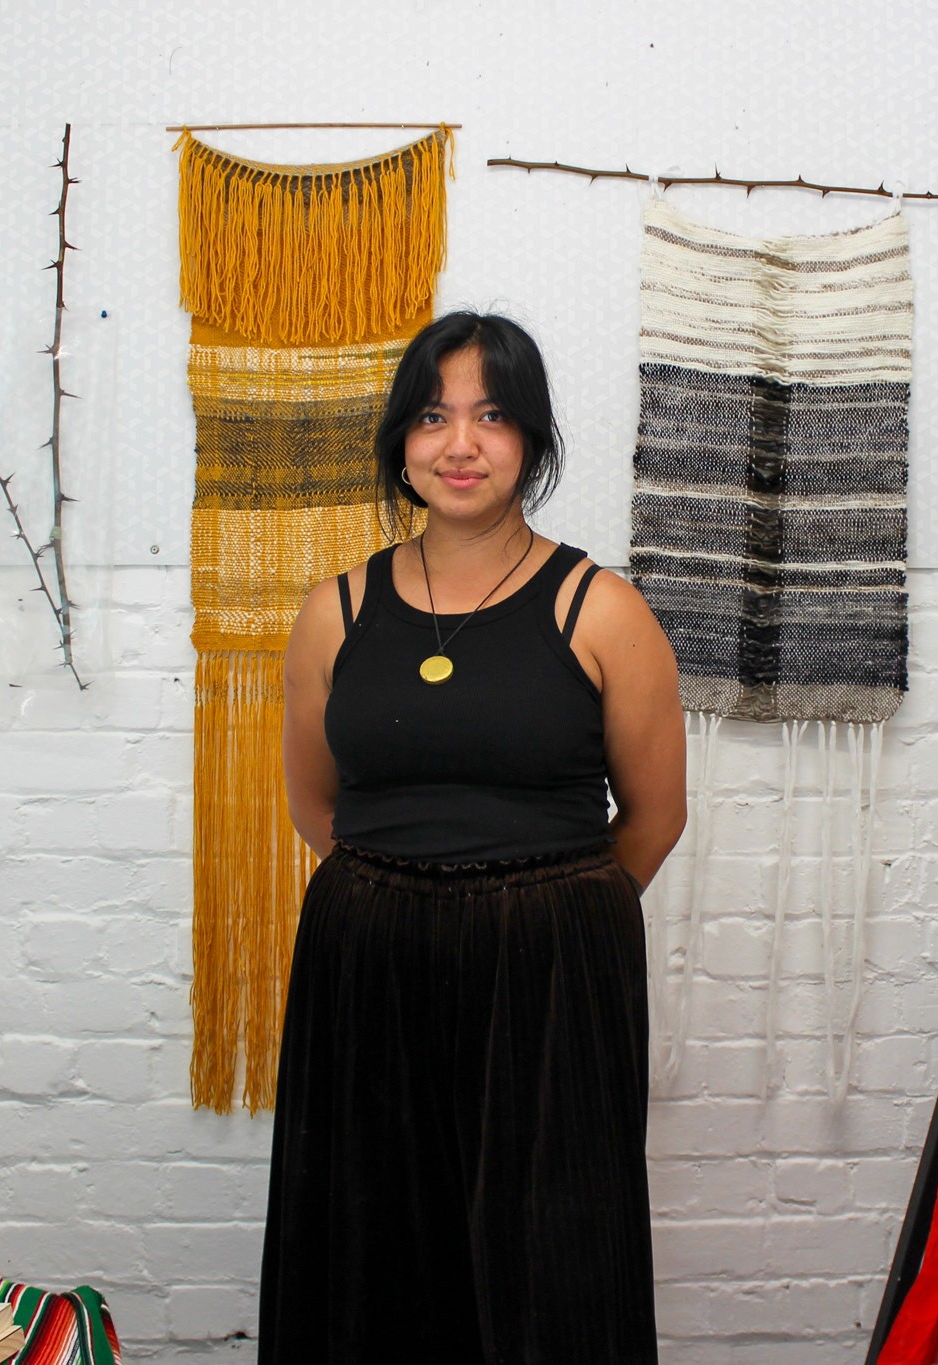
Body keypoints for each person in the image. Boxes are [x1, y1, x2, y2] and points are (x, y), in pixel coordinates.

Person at [258, 311, 687, 1361]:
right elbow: (316, 804)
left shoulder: (603, 610)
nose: (460, 444)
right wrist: (410, 900)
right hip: (367, 966)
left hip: (548, 979)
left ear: (531, 443)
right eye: (433, 416)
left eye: (492, 416)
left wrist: (531, 908)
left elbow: (654, 817)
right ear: (400, 444)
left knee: (551, 1259)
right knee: (370, 1249)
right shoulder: (335, 611)